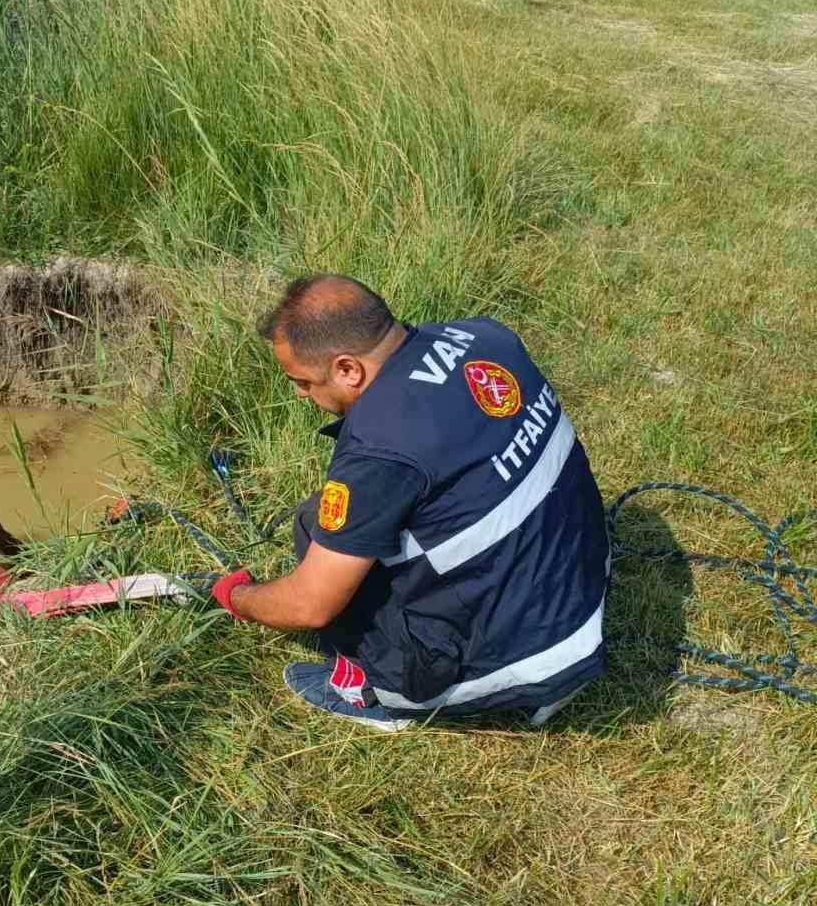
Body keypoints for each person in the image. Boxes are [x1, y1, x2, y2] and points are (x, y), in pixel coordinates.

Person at [210, 275, 610, 732]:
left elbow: (309, 605)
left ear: (347, 369)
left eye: (302, 381)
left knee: (313, 526)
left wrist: (238, 597)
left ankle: (376, 693)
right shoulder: (483, 335)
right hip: (583, 583)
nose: (301, 394)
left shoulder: (379, 446)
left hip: (537, 654)